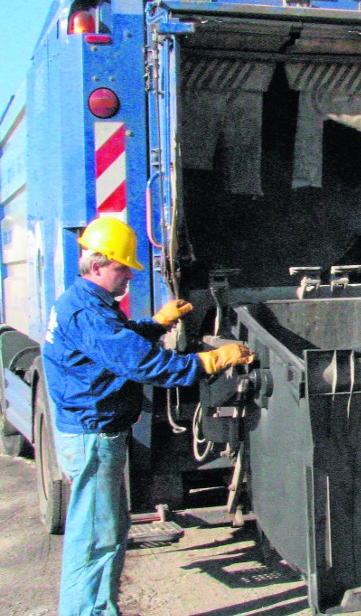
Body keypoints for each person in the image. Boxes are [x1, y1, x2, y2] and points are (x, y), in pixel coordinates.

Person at [42, 216, 254, 616]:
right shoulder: (87, 313)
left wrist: (154, 325)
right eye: (123, 268)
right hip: (93, 435)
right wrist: (205, 362)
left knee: (106, 531)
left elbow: (115, 340)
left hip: (93, 432)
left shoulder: (85, 301)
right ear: (100, 264)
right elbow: (142, 365)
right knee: (95, 539)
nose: (128, 278)